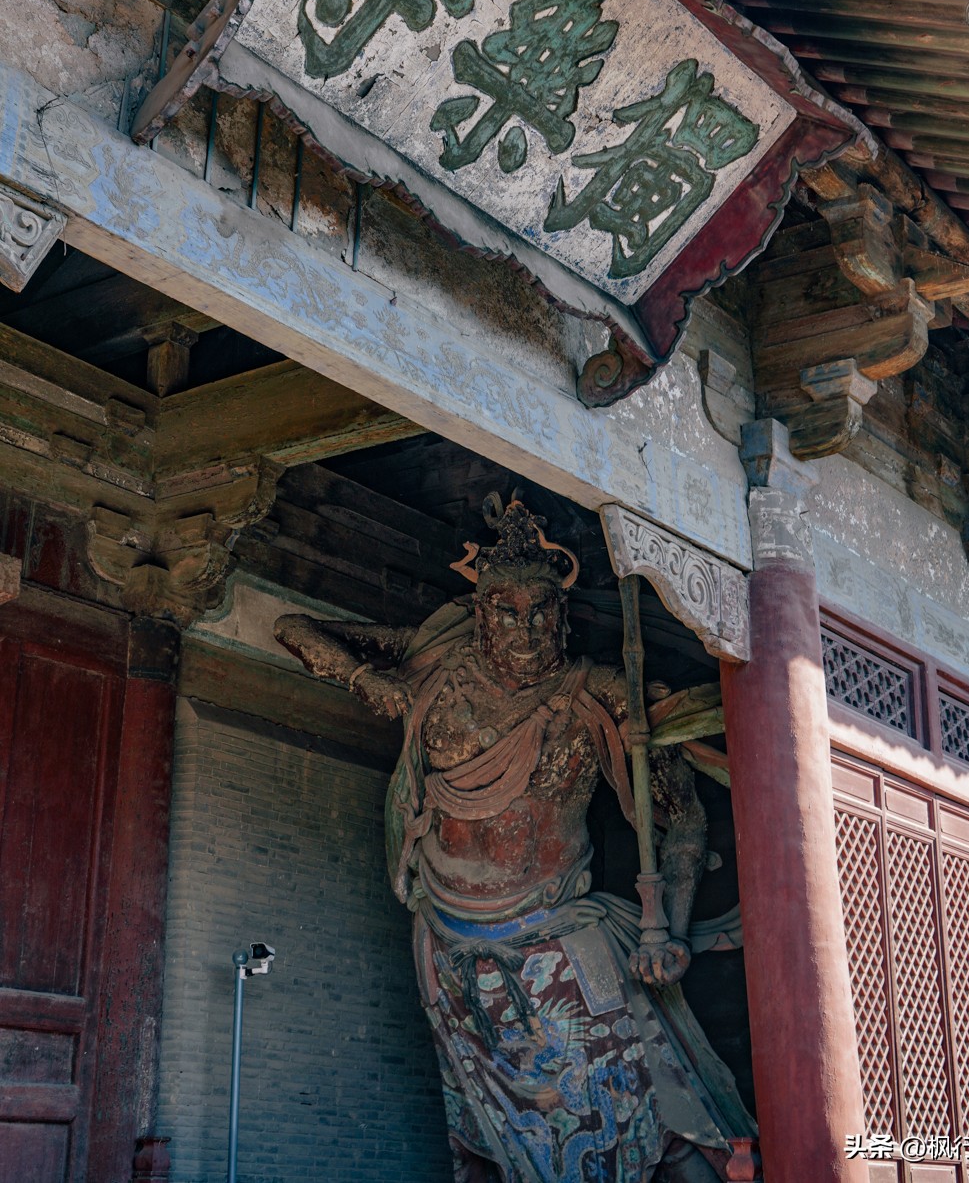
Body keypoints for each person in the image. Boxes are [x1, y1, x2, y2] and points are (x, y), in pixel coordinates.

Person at [275, 496, 754, 1182]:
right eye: (505, 610)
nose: (524, 627)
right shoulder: (434, 672)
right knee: (484, 1122)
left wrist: (665, 933)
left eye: (541, 611)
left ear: (564, 615)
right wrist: (368, 680)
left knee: (628, 1097)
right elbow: (295, 627)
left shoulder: (600, 691)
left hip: (558, 925)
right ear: (481, 614)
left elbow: (681, 818)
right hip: (445, 933)